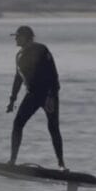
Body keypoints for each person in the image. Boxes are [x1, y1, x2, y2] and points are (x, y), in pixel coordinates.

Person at [6, 25, 66, 170]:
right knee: (17, 124)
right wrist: (12, 99)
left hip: (47, 95)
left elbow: (53, 74)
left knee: (53, 127)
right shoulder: (19, 55)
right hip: (32, 95)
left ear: (26, 37)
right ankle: (12, 161)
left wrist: (51, 96)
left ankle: (61, 164)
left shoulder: (41, 50)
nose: (15, 39)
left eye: (18, 36)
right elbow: (18, 78)